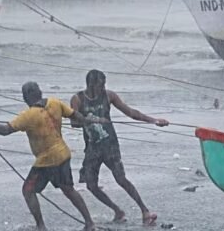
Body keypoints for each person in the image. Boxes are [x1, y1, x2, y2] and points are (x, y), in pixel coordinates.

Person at [0, 81, 101, 231]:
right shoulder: (55, 102)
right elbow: (74, 114)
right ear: (39, 93)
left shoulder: (28, 115)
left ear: (27, 97)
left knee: (28, 190)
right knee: (69, 190)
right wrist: (86, 121)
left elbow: (5, 130)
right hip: (63, 154)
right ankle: (89, 223)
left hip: (47, 160)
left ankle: (41, 226)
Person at [70, 69, 169, 225]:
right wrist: (90, 119)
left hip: (110, 145)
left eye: (104, 85)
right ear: (91, 84)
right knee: (91, 185)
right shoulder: (78, 99)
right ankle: (117, 210)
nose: (103, 89)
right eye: (100, 86)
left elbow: (130, 112)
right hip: (92, 148)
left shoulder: (109, 96)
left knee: (121, 179)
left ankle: (145, 211)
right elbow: (73, 123)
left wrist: (154, 121)